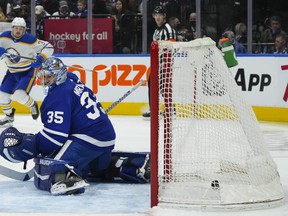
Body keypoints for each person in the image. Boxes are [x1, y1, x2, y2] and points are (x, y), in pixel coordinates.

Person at [0, 57, 150, 195]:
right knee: (95, 168)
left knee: (51, 171)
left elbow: (55, 138)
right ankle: (129, 164)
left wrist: (33, 145)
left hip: (88, 138)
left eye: (49, 76)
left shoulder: (58, 95)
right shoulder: (72, 80)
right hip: (106, 138)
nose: (45, 80)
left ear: (59, 76)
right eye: (43, 76)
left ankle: (67, 178)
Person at [0, 17, 54, 127]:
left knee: (19, 95)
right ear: (12, 28)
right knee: (2, 96)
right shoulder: (3, 37)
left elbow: (49, 47)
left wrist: (41, 57)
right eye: (16, 28)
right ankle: (9, 117)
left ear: (24, 29)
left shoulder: (31, 40)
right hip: (11, 72)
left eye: (21, 28)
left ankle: (32, 105)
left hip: (27, 71)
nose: (18, 31)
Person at [142, 5, 176, 120]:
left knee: (163, 86)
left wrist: (165, 60)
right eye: (155, 15)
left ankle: (170, 109)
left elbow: (172, 44)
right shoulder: (156, 30)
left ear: (164, 16)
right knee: (153, 83)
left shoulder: (168, 28)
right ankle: (156, 110)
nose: (157, 17)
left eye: (159, 15)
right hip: (157, 63)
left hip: (165, 62)